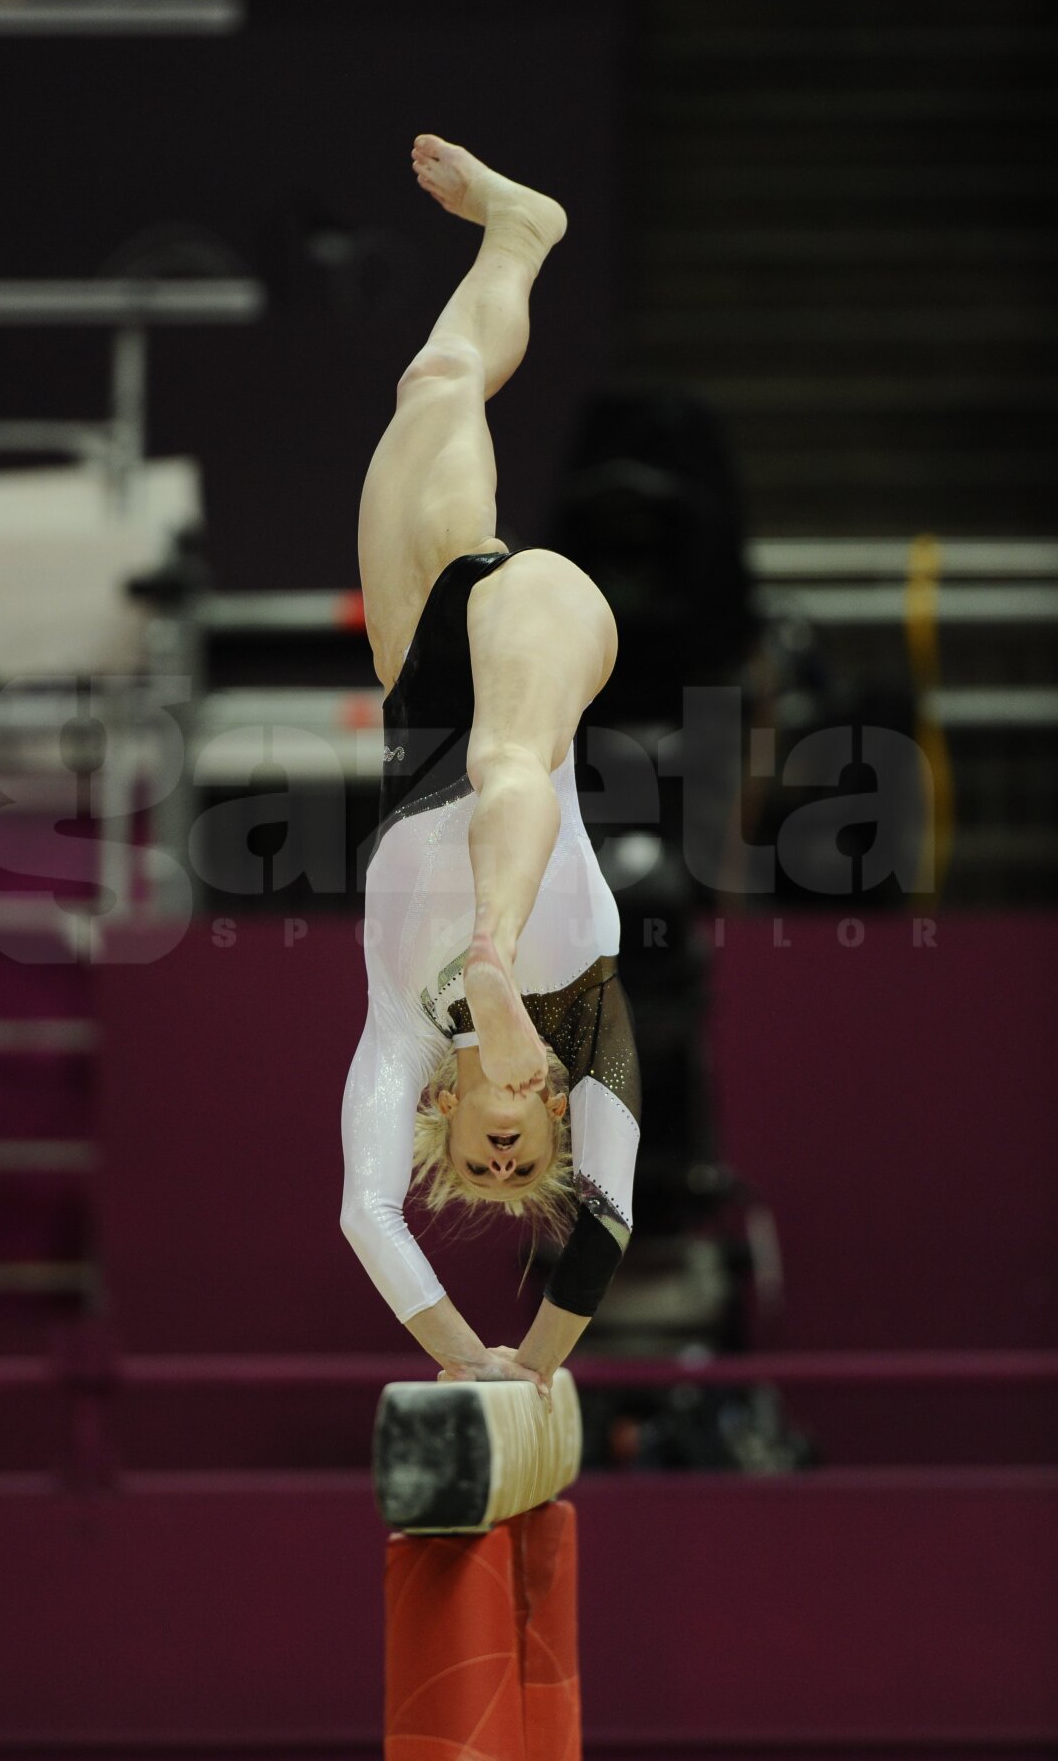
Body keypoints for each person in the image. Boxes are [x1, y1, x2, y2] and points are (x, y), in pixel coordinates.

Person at [340, 135, 641, 1396]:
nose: (508, 1160)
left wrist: (463, 1357)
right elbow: (608, 1232)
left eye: (483, 1166)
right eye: (530, 1169)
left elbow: (366, 1214)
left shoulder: (394, 1046)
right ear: (556, 1126)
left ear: (446, 1128)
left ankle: (518, 234)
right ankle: (495, 950)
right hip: (531, 658)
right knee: (517, 766)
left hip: (420, 676)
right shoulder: (590, 1042)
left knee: (436, 381)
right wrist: (533, 1363)